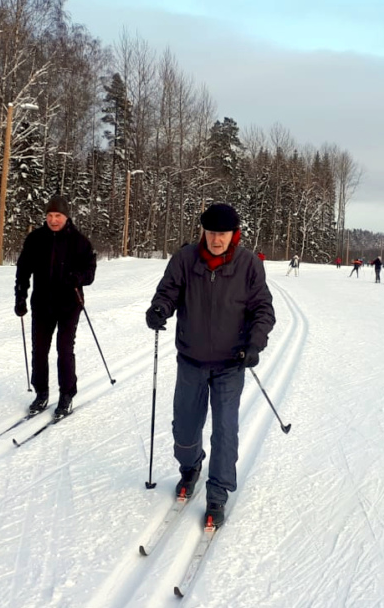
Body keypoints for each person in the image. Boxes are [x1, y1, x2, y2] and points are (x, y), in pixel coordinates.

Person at [145, 203, 276, 527]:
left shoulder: (248, 265)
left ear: (234, 234)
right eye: (212, 232)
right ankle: (190, 468)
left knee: (225, 430)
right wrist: (159, 309)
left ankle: (217, 492)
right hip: (191, 358)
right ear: (203, 231)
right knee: (185, 427)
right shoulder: (186, 259)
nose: (217, 239)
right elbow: (168, 291)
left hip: (231, 363)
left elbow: (263, 309)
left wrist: (254, 344)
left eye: (223, 233)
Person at [14, 195, 97, 419]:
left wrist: (77, 277)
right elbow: (23, 269)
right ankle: (41, 393)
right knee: (39, 350)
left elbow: (90, 272)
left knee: (64, 349)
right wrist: (20, 296)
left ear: (66, 216)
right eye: (50, 215)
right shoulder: (36, 239)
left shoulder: (79, 242)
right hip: (42, 303)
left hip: (69, 304)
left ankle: (67, 395)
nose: (53, 220)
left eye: (57, 215)